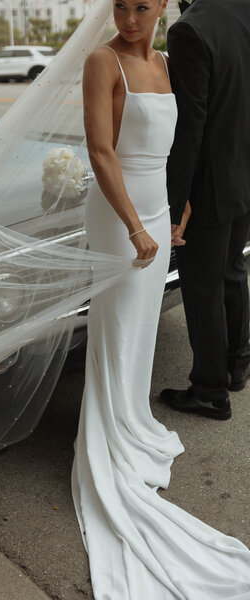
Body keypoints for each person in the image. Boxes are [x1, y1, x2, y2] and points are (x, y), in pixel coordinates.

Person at [71, 0, 250, 598]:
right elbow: (100, 151)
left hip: (157, 209)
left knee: (144, 325)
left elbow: (181, 142)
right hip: (120, 215)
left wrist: (179, 206)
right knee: (118, 323)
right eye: (120, 6)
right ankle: (109, 430)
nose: (128, 18)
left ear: (162, 8)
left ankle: (132, 417)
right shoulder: (103, 61)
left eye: (140, 7)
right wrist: (135, 227)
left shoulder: (172, 63)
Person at [161, 0, 250, 419]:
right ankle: (238, 363)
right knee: (233, 269)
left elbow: (189, 124)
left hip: (211, 184)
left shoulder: (188, 30)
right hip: (245, 175)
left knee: (202, 287)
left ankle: (211, 391)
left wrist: (175, 203)